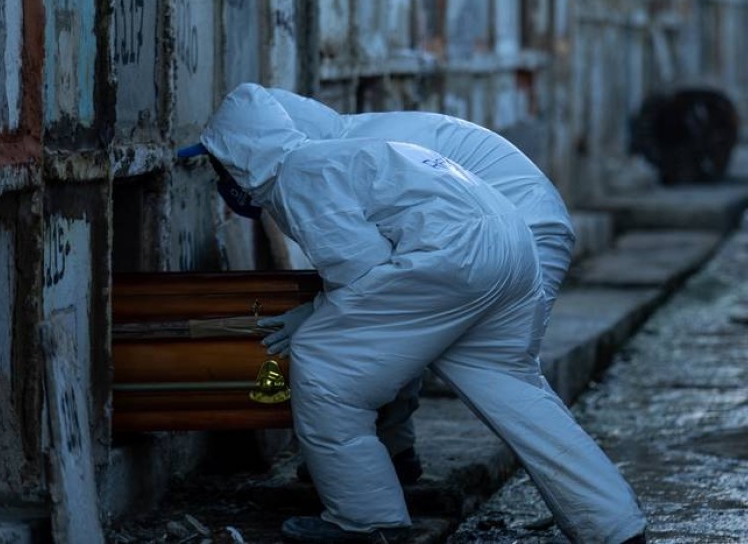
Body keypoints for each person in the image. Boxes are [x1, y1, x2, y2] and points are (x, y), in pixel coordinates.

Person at [181, 83, 646, 544]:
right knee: (511, 388)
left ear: (244, 152)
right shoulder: (357, 146)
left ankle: (367, 520)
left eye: (221, 161)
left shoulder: (302, 172)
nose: (221, 176)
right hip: (512, 242)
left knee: (323, 366)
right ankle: (614, 526)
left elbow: (361, 269)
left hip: (465, 252)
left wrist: (315, 313)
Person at [259, 88, 576, 484]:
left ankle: (371, 482)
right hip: (517, 228)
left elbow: (366, 276)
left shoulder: (333, 160)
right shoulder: (349, 140)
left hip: (515, 233)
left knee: (497, 379)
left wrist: (316, 313)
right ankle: (394, 452)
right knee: (410, 335)